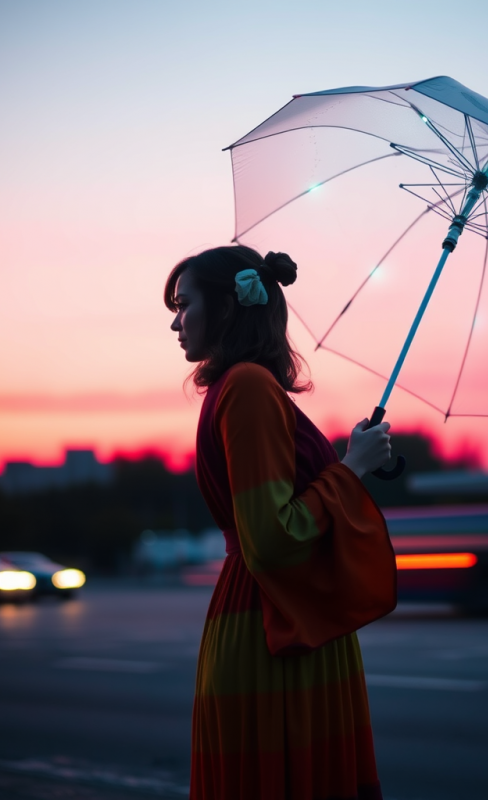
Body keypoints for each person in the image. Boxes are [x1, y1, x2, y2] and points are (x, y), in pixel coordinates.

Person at [165, 245, 397, 800]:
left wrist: (347, 466)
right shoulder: (246, 387)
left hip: (275, 617)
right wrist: (352, 469)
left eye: (184, 305)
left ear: (226, 307)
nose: (176, 323)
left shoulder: (243, 386)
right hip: (276, 622)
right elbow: (271, 538)